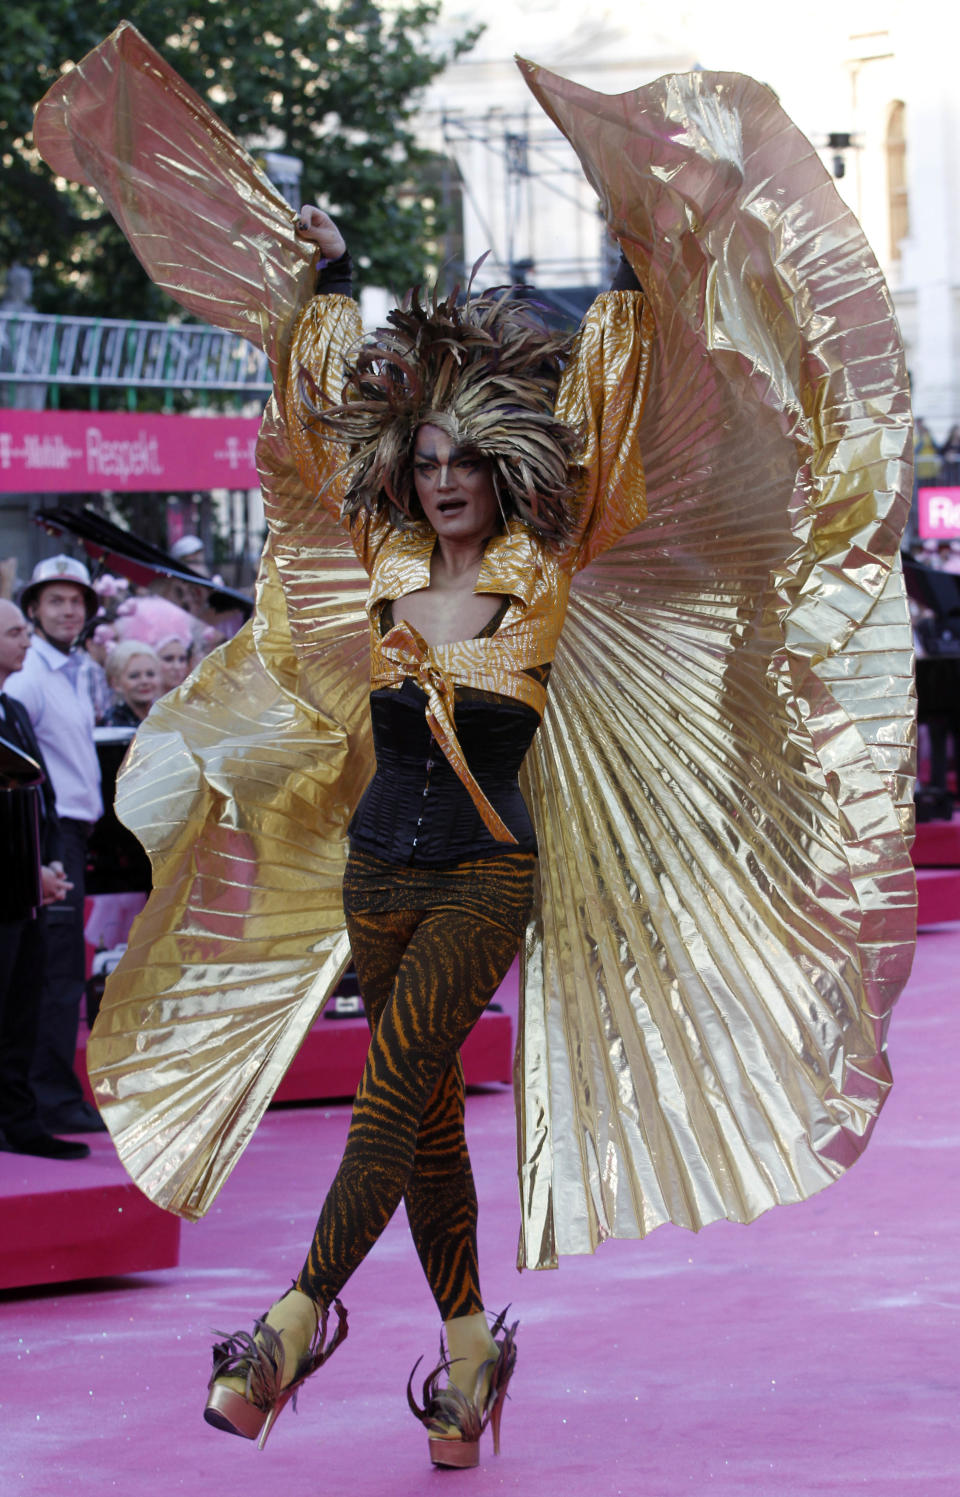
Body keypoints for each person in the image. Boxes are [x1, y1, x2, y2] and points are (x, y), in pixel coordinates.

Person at [33, 24, 916, 1474]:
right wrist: (310, 283)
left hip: (489, 873)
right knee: (423, 1110)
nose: (442, 479)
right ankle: (465, 1357)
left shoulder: (553, 569)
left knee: (394, 1086)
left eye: (463, 461)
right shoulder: (382, 564)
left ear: (500, 467)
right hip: (380, 865)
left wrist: (659, 262)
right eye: (425, 460)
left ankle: (292, 1321)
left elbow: (648, 419)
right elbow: (316, 423)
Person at [5, 555, 105, 1134]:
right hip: (48, 833)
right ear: (34, 610)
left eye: (77, 602)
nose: (68, 611)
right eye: (55, 602)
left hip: (68, 831)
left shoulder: (66, 669)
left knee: (60, 967)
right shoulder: (27, 676)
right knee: (54, 971)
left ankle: (51, 1093)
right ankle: (49, 1097)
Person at [102, 640, 162, 727]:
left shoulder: (167, 717)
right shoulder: (113, 724)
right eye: (134, 676)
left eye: (150, 674)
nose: (144, 681)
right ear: (116, 683)